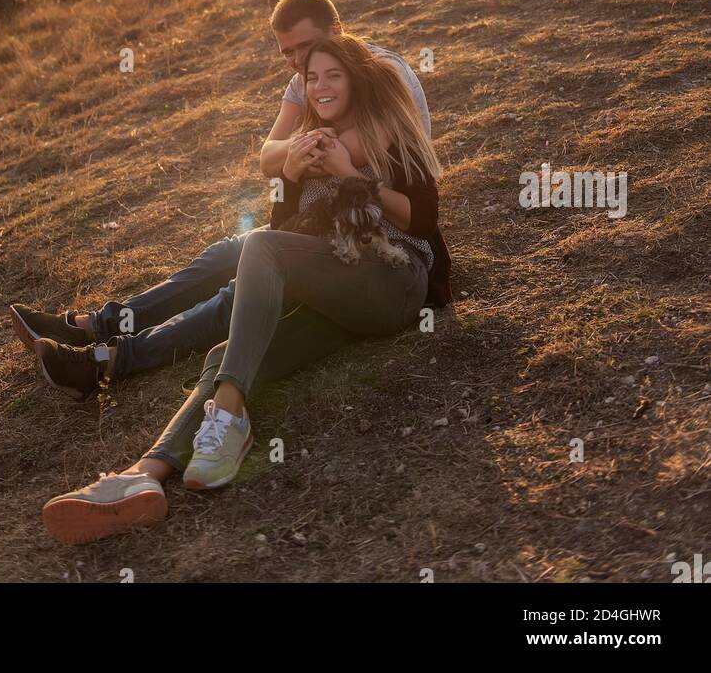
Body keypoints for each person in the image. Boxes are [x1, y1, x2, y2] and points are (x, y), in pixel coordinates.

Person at [41, 35, 451, 543]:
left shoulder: (387, 127)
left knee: (257, 247)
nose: (319, 86)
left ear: (355, 79)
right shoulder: (310, 141)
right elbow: (290, 239)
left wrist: (350, 175)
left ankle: (227, 418)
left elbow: (425, 220)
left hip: (394, 281)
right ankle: (145, 475)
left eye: (332, 75)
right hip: (340, 298)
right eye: (311, 78)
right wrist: (294, 175)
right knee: (225, 355)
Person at [8, 0, 432, 400]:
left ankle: (109, 360)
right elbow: (270, 158)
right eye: (288, 54)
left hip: (370, 239)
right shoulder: (310, 79)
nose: (299, 63)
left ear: (337, 30)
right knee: (227, 252)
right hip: (323, 223)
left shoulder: (380, 73)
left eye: (307, 47)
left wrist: (310, 152)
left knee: (242, 279)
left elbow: (348, 151)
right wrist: (296, 159)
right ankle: (99, 327)